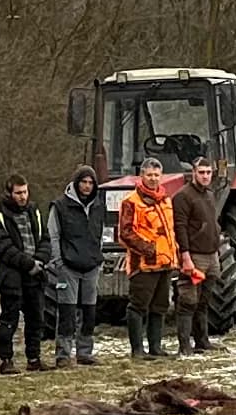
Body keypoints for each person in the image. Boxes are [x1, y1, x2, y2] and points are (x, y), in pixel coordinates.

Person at [0, 174, 50, 374]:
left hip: (34, 274)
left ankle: (34, 358)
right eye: (18, 193)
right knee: (9, 319)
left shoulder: (35, 212)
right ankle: (6, 359)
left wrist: (40, 260)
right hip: (10, 275)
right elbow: (4, 248)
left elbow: (45, 239)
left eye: (25, 192)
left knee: (36, 318)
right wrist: (29, 264)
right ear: (9, 193)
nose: (22, 196)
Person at [116, 156, 180, 360]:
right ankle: (137, 350)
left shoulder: (166, 199)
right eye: (149, 175)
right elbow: (125, 233)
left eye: (156, 175)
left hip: (165, 263)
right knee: (138, 306)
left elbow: (170, 231)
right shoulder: (131, 202)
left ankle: (155, 347)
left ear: (161, 176)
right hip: (144, 265)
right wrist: (148, 249)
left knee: (160, 307)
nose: (153, 178)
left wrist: (174, 253)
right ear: (141, 175)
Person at [47, 165, 106, 368]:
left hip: (91, 266)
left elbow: (100, 234)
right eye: (83, 182)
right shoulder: (60, 206)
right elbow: (53, 235)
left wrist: (98, 258)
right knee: (67, 312)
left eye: (91, 183)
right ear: (76, 183)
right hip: (68, 266)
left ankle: (85, 352)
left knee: (89, 312)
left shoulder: (98, 207)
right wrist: (59, 262)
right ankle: (63, 354)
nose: (87, 186)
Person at [171, 158, 224, 356]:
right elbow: (180, 228)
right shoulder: (183, 196)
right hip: (194, 256)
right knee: (188, 301)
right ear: (193, 172)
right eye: (201, 172)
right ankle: (184, 345)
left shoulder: (210, 195)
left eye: (208, 172)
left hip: (211, 255)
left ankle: (202, 341)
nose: (205, 176)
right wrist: (185, 256)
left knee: (204, 300)